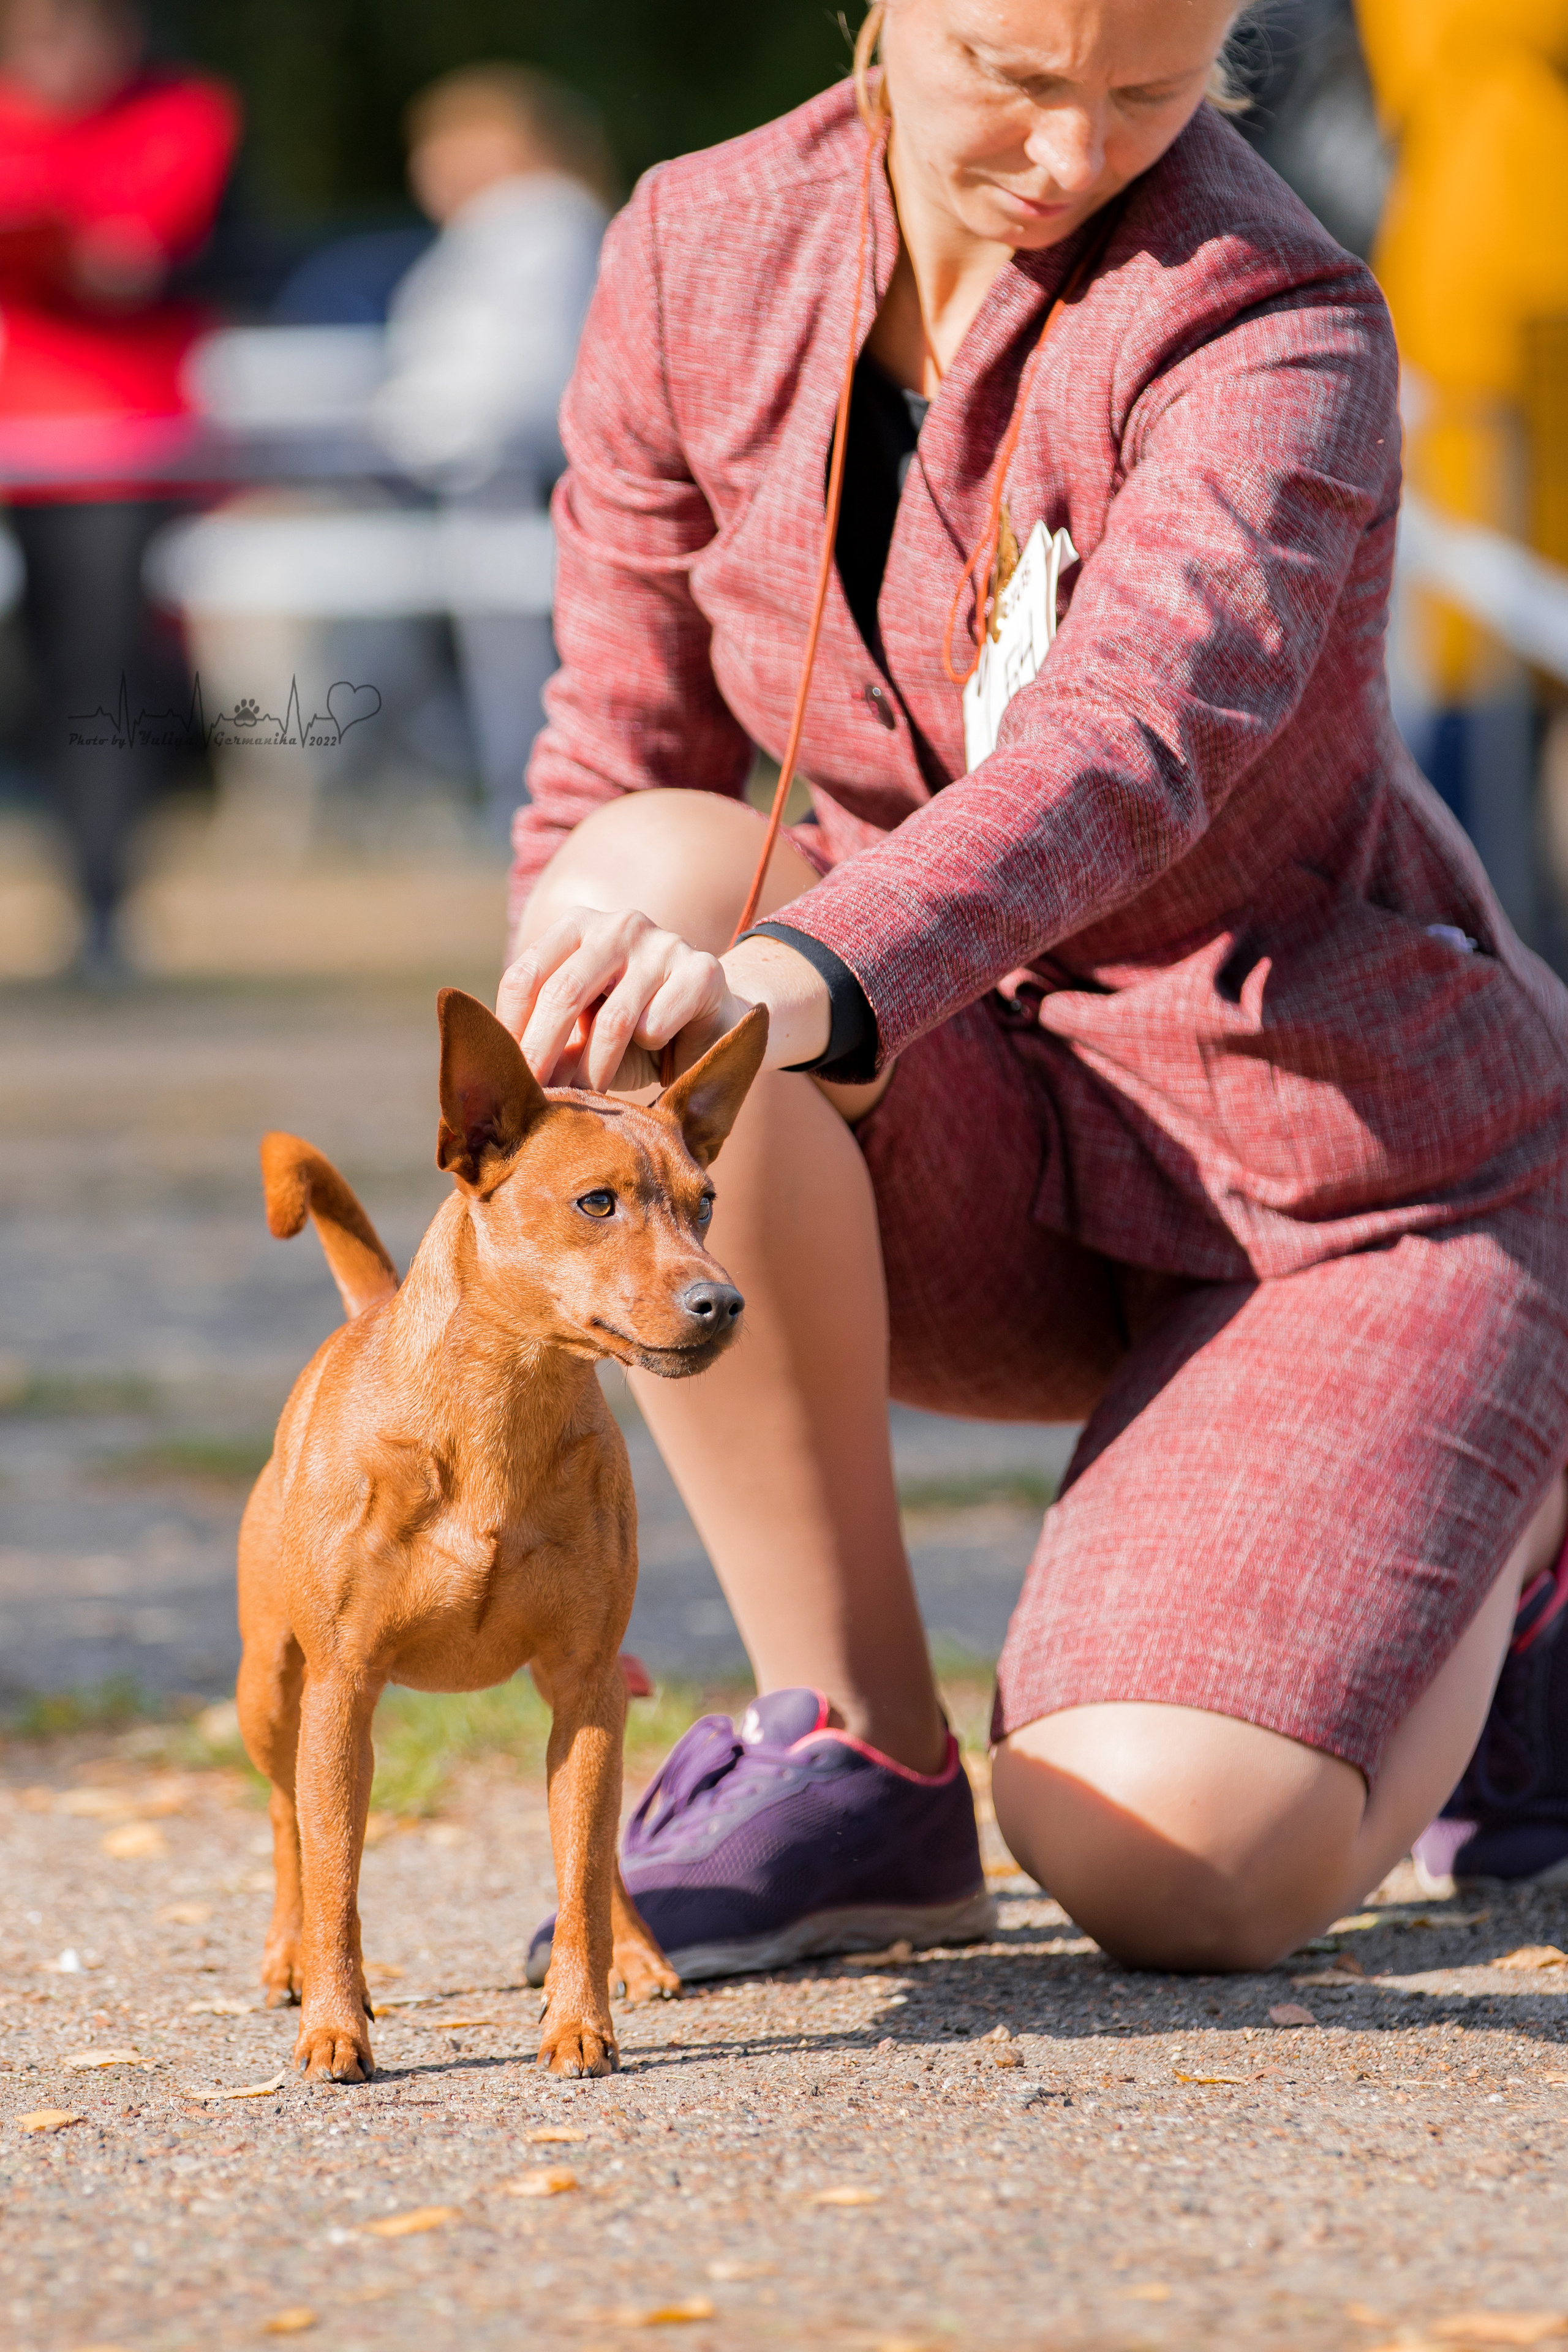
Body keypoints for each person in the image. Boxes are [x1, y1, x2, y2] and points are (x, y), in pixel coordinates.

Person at [499, 0, 1568, 1987]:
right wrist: (529, 1143)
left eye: (1146, 89)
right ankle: (858, 1755)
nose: (1073, 154)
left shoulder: (1279, 316)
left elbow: (1129, 750)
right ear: (883, 17)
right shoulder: (689, 244)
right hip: (982, 1133)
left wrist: (801, 976)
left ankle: (1526, 1552)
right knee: (640, 882)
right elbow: (607, 743)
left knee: (1172, 1865)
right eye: (1009, 78)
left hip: (1349, 1183)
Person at [0, 0, 238, 972]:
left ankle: (102, 897)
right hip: (22, 425)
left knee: (99, 672)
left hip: (115, 440)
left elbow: (160, 261)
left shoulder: (181, 116)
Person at [369, 64, 613, 836]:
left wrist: (405, 434)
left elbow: (513, 376)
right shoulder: (522, 229)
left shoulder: (536, 225)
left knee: (527, 668)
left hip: (517, 476)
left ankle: (528, 804)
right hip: (485, 474)